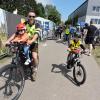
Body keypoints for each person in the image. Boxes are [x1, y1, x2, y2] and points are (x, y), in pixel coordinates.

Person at [24, 10, 41, 81]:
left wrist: (31, 41)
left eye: (33, 16)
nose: (31, 18)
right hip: (25, 42)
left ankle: (35, 69)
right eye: (30, 16)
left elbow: (36, 34)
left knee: (34, 56)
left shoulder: (37, 24)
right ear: (27, 17)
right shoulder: (24, 23)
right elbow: (18, 32)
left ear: (35, 17)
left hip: (34, 43)